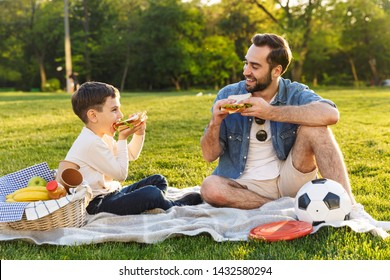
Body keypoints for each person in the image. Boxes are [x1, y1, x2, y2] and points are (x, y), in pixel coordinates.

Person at [200, 33, 357, 210]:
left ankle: (348, 206)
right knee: (210, 188)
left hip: (289, 178)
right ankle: (282, 207)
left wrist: (270, 112)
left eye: (255, 66)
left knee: (316, 129)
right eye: (246, 63)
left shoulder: (293, 92)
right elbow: (209, 155)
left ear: (276, 71)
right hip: (245, 184)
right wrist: (215, 122)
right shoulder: (228, 94)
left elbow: (331, 113)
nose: (246, 71)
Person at [65, 81, 202, 215]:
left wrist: (139, 133)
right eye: (114, 110)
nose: (121, 115)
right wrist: (122, 138)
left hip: (112, 192)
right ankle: (172, 205)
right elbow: (121, 174)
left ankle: (157, 203)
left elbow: (130, 155)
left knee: (158, 180)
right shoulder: (90, 143)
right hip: (97, 204)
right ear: (93, 115)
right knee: (151, 193)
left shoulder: (102, 136)